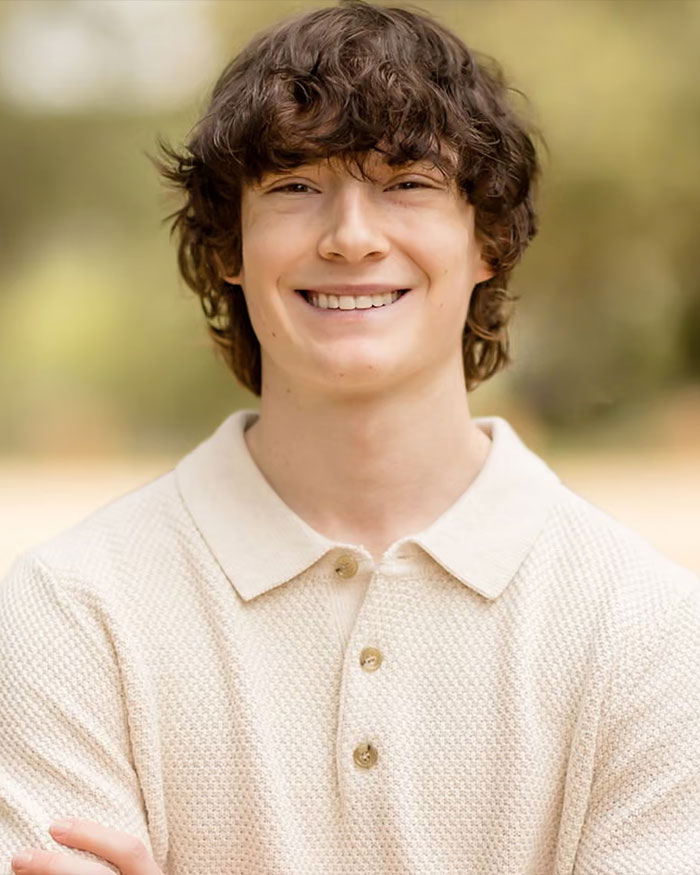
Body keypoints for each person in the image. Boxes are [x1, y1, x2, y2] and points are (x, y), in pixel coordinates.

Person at [2, 1, 700, 874]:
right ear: (230, 246)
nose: (351, 238)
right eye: (296, 186)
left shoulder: (650, 629)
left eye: (407, 183)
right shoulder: (71, 613)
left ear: (487, 238)